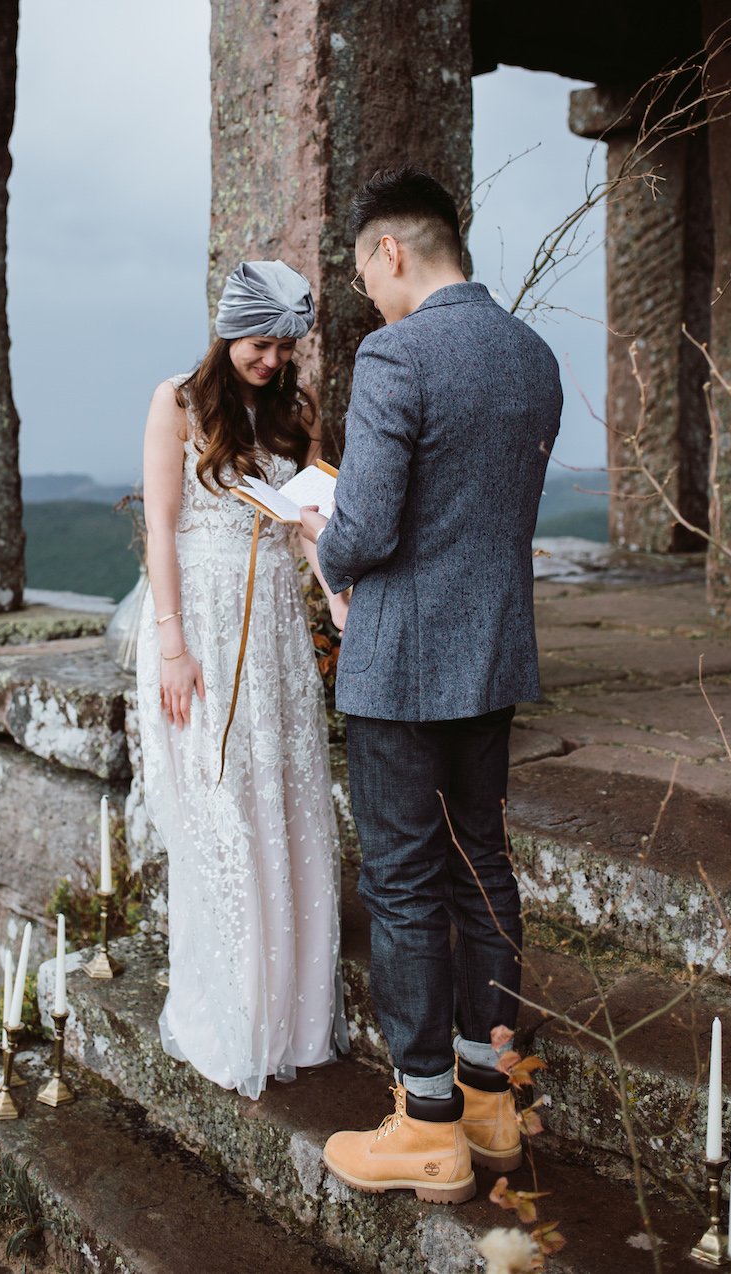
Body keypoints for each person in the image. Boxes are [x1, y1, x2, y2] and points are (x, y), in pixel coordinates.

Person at [298, 165, 562, 1204]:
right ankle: (491, 1099)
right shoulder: (531, 354)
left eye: (363, 271)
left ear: (392, 251)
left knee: (404, 885)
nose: (366, 292)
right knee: (482, 869)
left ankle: (425, 1122)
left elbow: (365, 528)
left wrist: (321, 543)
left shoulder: (396, 353)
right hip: (492, 654)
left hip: (400, 665)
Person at [137, 258, 350, 1099]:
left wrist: (338, 598)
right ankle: (229, 1012)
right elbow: (160, 526)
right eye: (261, 343)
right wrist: (173, 646)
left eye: (285, 346)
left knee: (280, 800)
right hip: (200, 624)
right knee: (221, 806)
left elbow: (309, 526)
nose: (273, 359)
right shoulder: (177, 403)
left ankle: (288, 1016)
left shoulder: (296, 412)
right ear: (228, 332)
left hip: (272, 631)